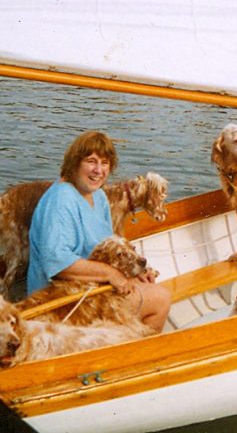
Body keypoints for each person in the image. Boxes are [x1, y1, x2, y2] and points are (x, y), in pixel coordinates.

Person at [27, 130, 171, 332]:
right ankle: (134, 357)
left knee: (149, 285)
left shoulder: (99, 196)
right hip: (60, 301)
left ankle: (120, 347)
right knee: (160, 299)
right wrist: (110, 273)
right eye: (91, 161)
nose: (98, 170)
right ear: (75, 163)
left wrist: (136, 271)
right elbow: (57, 263)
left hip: (88, 289)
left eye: (105, 163)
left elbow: (106, 251)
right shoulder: (61, 200)